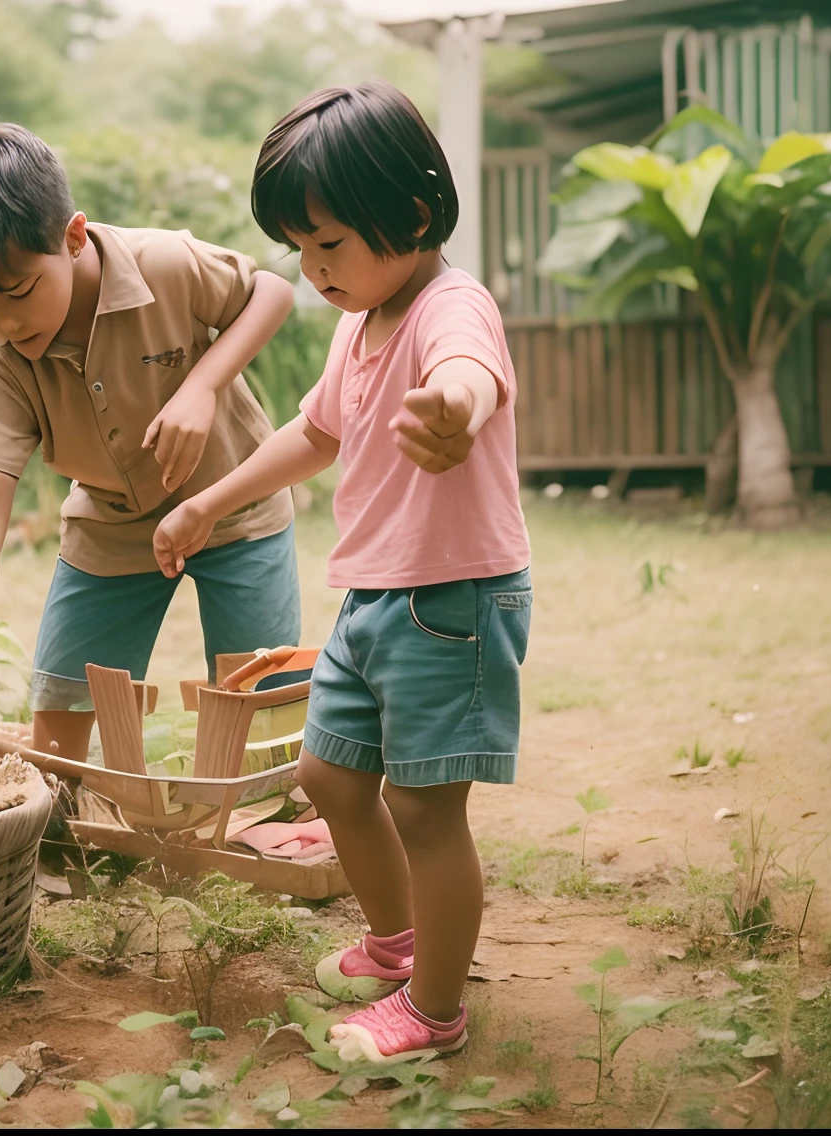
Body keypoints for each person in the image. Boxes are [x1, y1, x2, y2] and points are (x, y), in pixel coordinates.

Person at [153, 81, 532, 1063]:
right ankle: (397, 943)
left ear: (409, 214)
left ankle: (433, 1008)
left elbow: (469, 370)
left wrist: (450, 406)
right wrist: (209, 498)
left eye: (328, 243)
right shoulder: (355, 319)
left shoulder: (451, 305)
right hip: (372, 598)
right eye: (299, 250)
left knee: (424, 806)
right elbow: (315, 429)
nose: (314, 268)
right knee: (327, 775)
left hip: (449, 601)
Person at [0, 123, 301, 758]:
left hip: (235, 508)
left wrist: (203, 385)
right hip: (111, 524)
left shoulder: (163, 262)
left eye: (18, 292)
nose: (3, 323)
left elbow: (271, 291)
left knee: (263, 710)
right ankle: (74, 822)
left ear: (72, 237)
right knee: (60, 728)